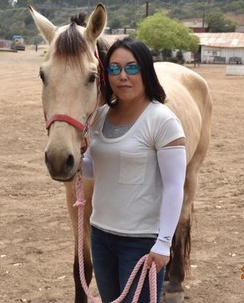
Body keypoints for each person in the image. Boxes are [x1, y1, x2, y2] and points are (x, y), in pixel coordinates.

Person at [82, 37, 186, 303]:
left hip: (141, 241)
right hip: (101, 234)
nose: (123, 76)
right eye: (114, 69)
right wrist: (79, 154)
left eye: (132, 68)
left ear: (146, 71)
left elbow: (175, 186)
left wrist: (164, 242)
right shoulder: (100, 116)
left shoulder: (163, 121)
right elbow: (93, 170)